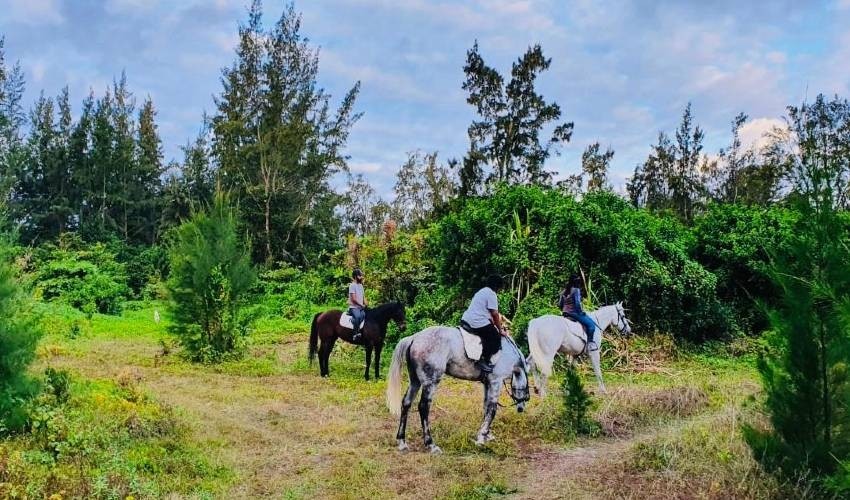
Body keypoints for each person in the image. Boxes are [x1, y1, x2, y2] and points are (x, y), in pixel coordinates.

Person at [461, 274, 508, 373]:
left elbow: (488, 314)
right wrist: (500, 330)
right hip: (477, 322)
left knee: (489, 330)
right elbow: (495, 314)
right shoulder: (491, 294)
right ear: (497, 286)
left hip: (467, 319)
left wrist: (494, 323)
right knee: (495, 337)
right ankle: (484, 360)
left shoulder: (482, 291)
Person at [559, 274, 597, 351]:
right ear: (576, 282)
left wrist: (564, 310)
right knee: (591, 325)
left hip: (565, 313)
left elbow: (560, 304)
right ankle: (590, 344)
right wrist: (581, 312)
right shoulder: (576, 290)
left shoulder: (563, 292)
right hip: (573, 313)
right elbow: (577, 303)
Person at [349, 268, 367, 341]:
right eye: (360, 276)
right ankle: (355, 334)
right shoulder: (352, 285)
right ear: (356, 276)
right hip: (354, 307)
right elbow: (353, 299)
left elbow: (363, 297)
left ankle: (356, 325)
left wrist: (366, 303)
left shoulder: (361, 286)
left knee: (364, 315)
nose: (362, 277)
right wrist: (361, 305)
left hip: (360, 307)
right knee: (357, 316)